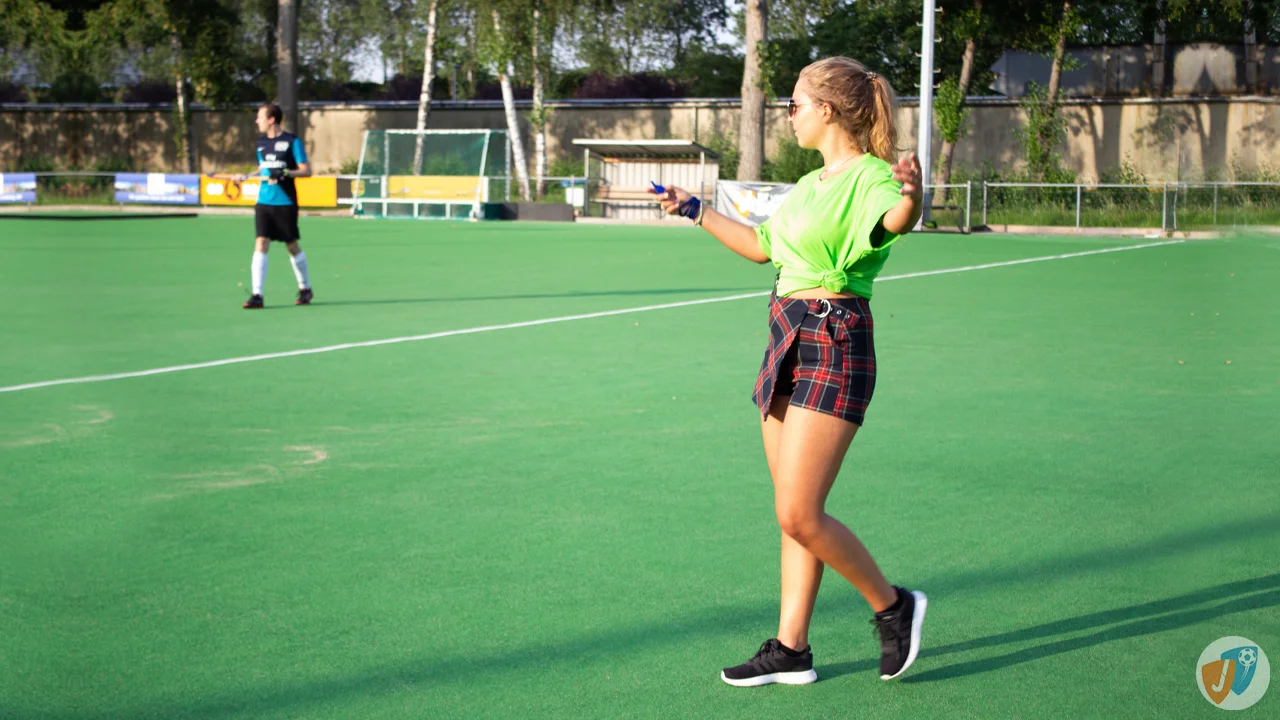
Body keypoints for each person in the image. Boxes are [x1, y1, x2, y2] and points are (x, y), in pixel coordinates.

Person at [652, 57, 927, 687]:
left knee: (801, 511)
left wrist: (912, 192)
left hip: (834, 338)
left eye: (796, 103)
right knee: (790, 510)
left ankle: (893, 605)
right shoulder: (808, 185)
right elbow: (760, 247)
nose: (789, 113)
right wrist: (694, 209)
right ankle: (792, 649)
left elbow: (894, 221)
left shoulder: (871, 179)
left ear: (828, 109)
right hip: (787, 338)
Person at [239, 102, 313, 309]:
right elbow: (263, 168)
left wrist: (285, 173)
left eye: (260, 117)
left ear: (272, 119)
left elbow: (306, 170)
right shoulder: (260, 143)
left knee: (291, 245)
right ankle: (257, 294)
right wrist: (246, 176)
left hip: (285, 201)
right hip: (264, 201)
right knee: (261, 242)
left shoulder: (292, 141)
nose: (257, 121)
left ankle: (305, 288)